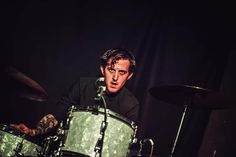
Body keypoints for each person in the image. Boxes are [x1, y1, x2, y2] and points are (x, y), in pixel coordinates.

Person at [11, 48, 140, 138]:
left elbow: (123, 144)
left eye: (122, 72)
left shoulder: (131, 105)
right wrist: (33, 131)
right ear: (102, 69)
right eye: (111, 70)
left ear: (129, 76)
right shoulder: (83, 86)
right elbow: (57, 116)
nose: (115, 77)